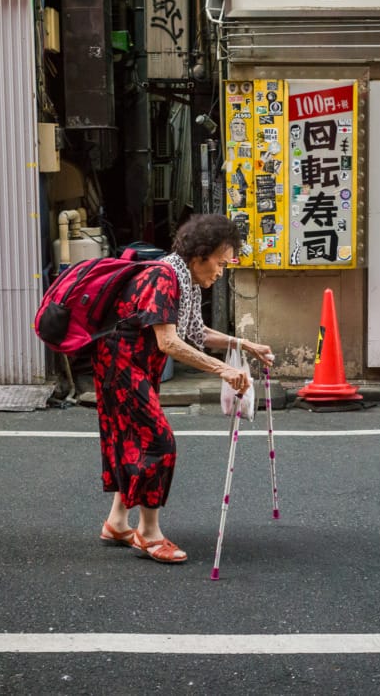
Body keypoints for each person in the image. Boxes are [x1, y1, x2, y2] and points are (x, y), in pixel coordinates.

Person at [93, 214, 273, 564]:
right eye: (220, 263)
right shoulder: (164, 275)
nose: (221, 272)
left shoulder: (184, 278)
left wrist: (244, 346)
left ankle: (116, 523)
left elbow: (197, 333)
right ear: (200, 255)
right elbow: (169, 342)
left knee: (134, 441)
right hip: (122, 367)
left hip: (135, 367)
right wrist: (223, 369)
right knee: (158, 443)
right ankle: (148, 534)